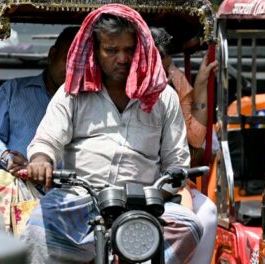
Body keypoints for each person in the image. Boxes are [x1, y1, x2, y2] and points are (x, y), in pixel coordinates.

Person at [21, 4, 202, 264]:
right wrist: (41, 159)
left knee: (190, 226)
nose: (122, 58)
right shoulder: (72, 91)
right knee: (38, 227)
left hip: (143, 206)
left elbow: (177, 163)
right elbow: (47, 140)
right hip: (80, 200)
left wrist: (154, 197)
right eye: (111, 50)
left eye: (129, 50)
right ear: (95, 50)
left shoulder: (165, 98)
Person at [150, 26, 218, 264]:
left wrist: (199, 87)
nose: (164, 72)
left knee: (206, 213)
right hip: (128, 181)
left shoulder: (173, 84)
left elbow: (196, 139)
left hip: (167, 180)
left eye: (167, 65)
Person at [0, 26, 79, 175]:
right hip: (19, 182)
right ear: (52, 55)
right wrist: (7, 157)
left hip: (73, 187)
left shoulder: (89, 100)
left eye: (79, 64)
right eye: (67, 60)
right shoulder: (12, 90)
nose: (72, 70)